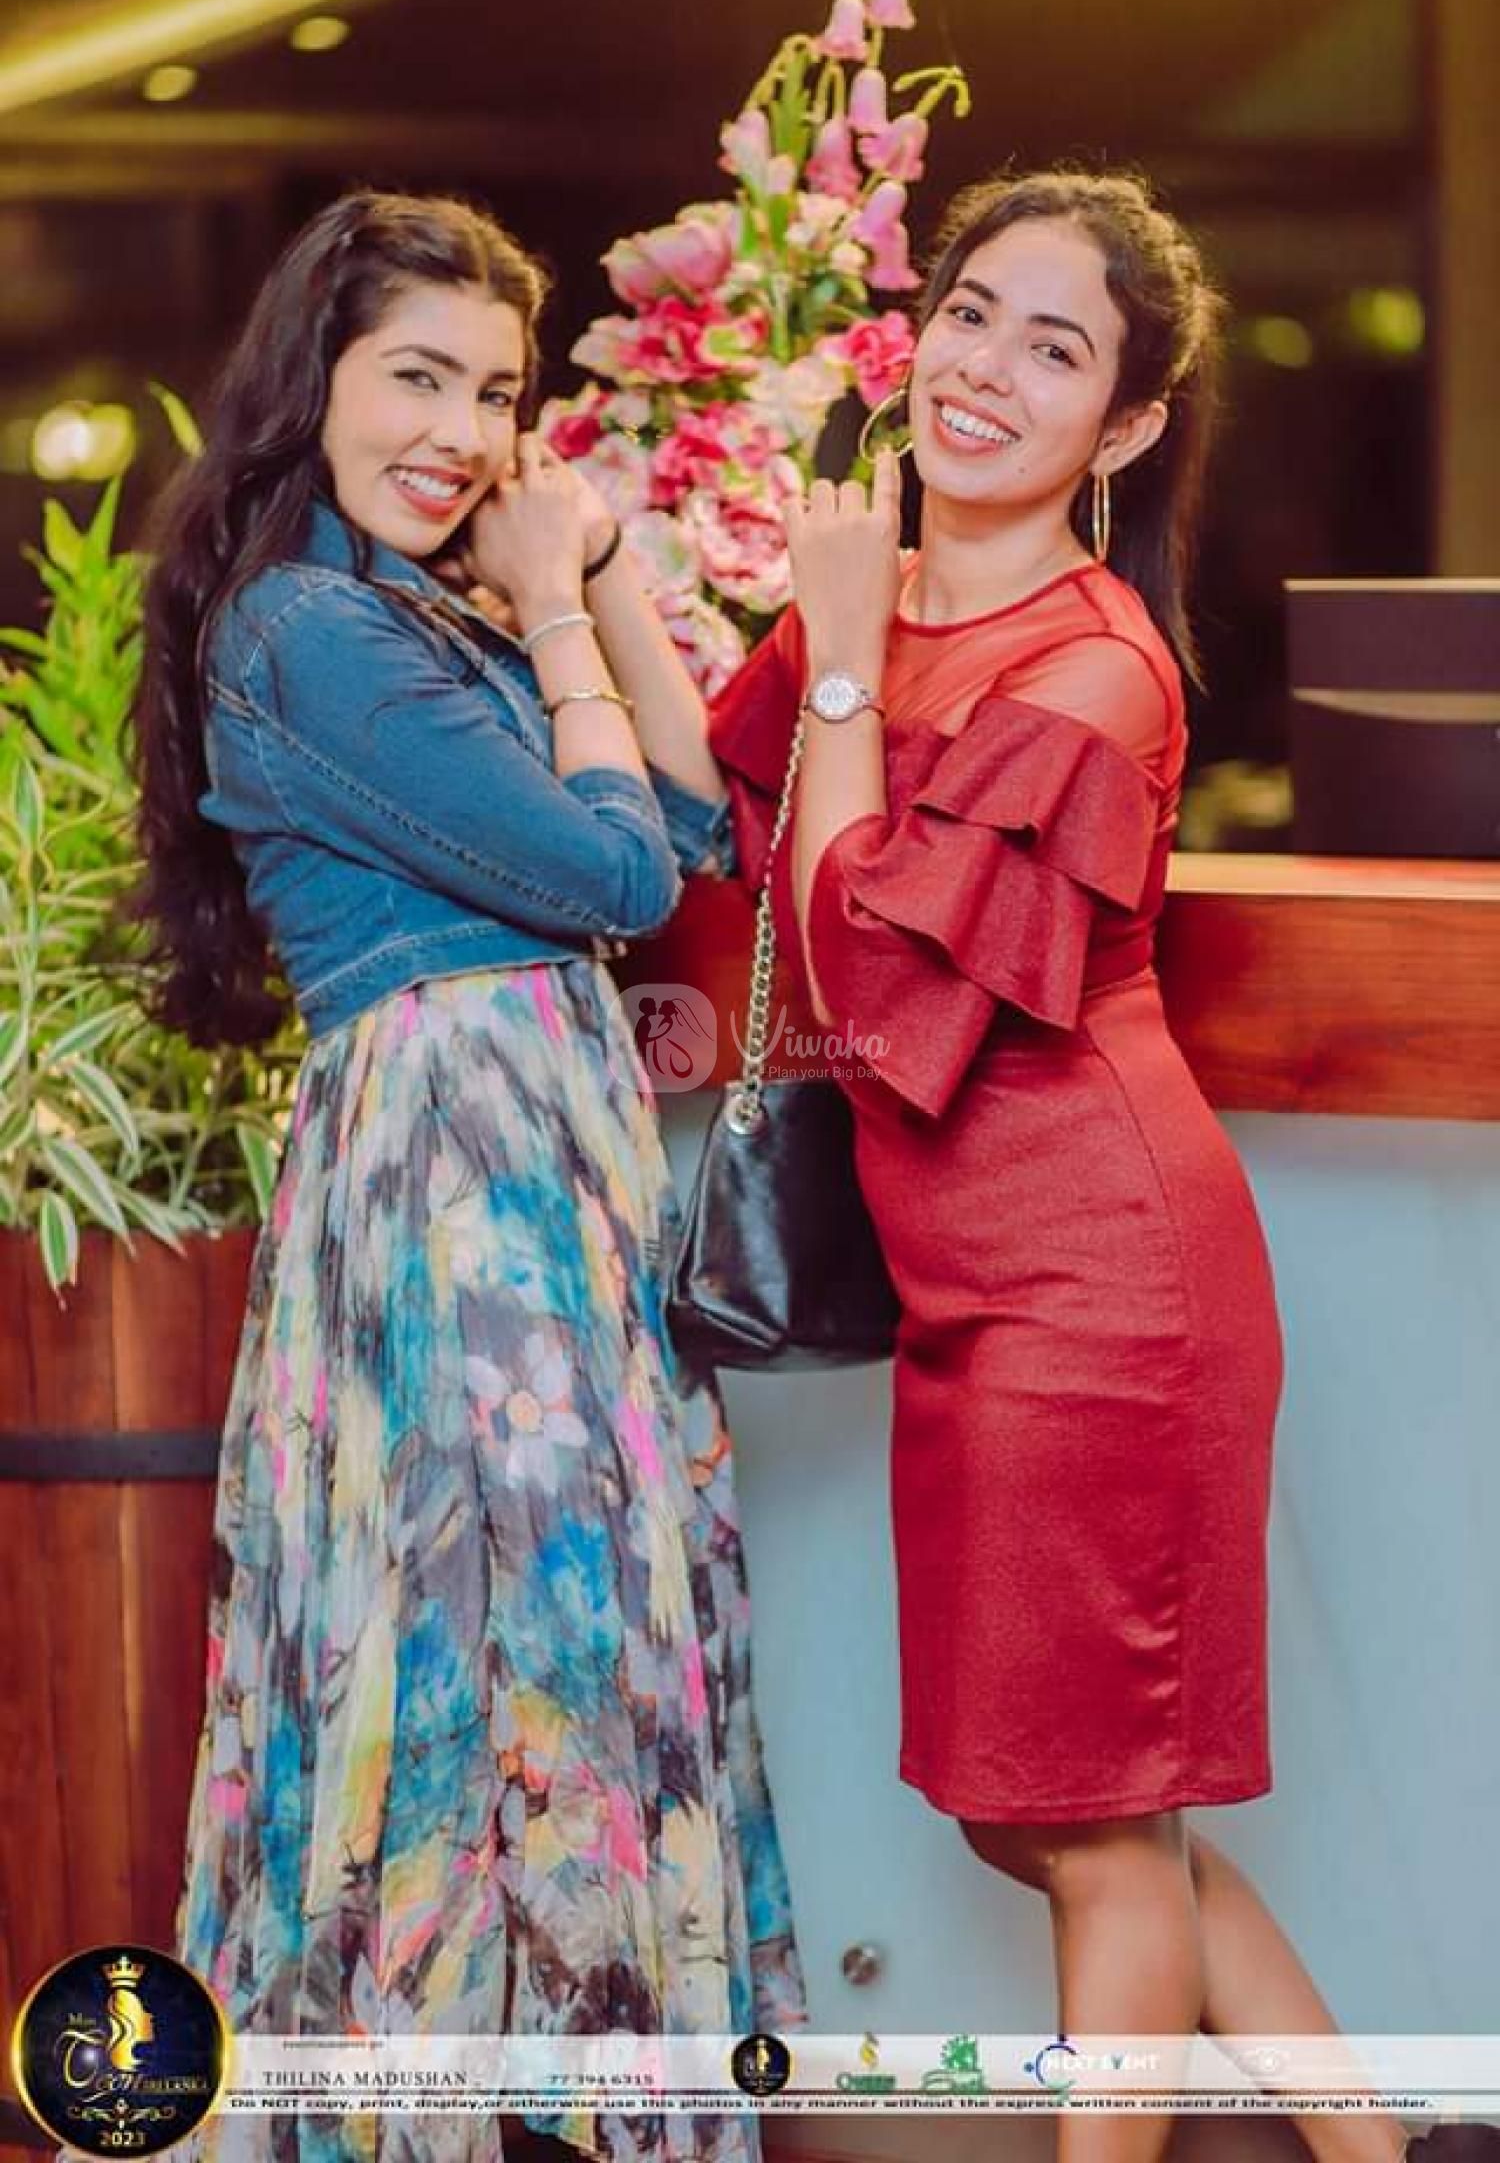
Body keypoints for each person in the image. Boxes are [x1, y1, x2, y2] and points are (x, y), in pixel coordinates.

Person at [708, 168, 1482, 2163]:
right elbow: (730, 803)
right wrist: (581, 590)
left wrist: (846, 654)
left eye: (1053, 349)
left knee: (1099, 1824)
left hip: (1104, 1284)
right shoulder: (875, 602)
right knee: (1040, 1813)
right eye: (971, 313)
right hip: (977, 1288)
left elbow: (873, 974)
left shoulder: (1094, 665)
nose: (985, 368)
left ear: (1124, 427)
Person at [130, 187, 804, 2163]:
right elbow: (609, 873)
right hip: (451, 1164)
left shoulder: (426, 609)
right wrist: (560, 616)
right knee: (491, 1654)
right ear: (315, 379)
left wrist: (584, 569)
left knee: (555, 1654)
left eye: (494, 393)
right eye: (415, 376)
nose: (455, 430)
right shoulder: (307, 626)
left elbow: (692, 819)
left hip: (533, 1155)